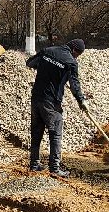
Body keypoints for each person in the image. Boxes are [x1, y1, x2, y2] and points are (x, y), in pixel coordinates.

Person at [26, 38, 88, 175]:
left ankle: (34, 164)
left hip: (36, 98)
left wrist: (46, 68)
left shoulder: (47, 51)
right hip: (51, 102)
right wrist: (81, 100)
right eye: (77, 54)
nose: (76, 57)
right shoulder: (71, 62)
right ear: (73, 50)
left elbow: (30, 63)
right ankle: (54, 168)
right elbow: (75, 85)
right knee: (55, 133)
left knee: (36, 133)